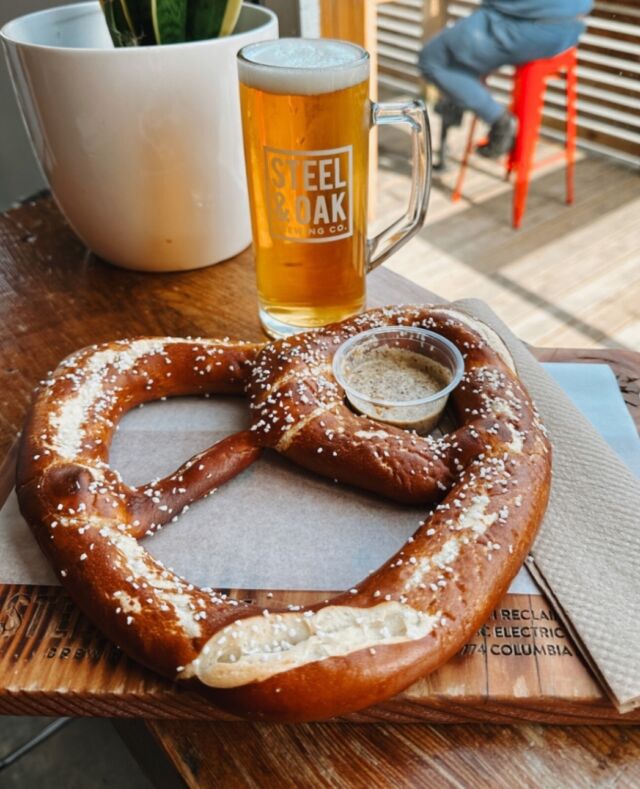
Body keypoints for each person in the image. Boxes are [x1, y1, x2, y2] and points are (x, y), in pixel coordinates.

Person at [419, 1, 592, 164]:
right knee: (462, 47)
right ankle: (458, 96)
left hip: (530, 26)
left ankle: (499, 120)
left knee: (432, 59)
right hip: (573, 26)